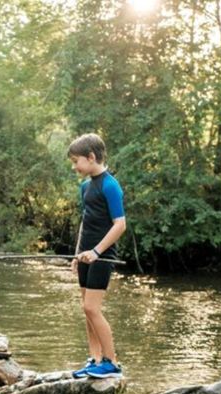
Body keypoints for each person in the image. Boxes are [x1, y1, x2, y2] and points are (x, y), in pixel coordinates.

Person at [68, 133, 126, 379]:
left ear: (91, 157)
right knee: (86, 308)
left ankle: (111, 362)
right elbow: (85, 222)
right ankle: (95, 359)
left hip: (102, 256)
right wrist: (77, 254)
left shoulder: (110, 185)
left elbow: (120, 224)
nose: (74, 167)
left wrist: (96, 252)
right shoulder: (85, 187)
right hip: (85, 256)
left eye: (76, 161)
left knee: (92, 308)